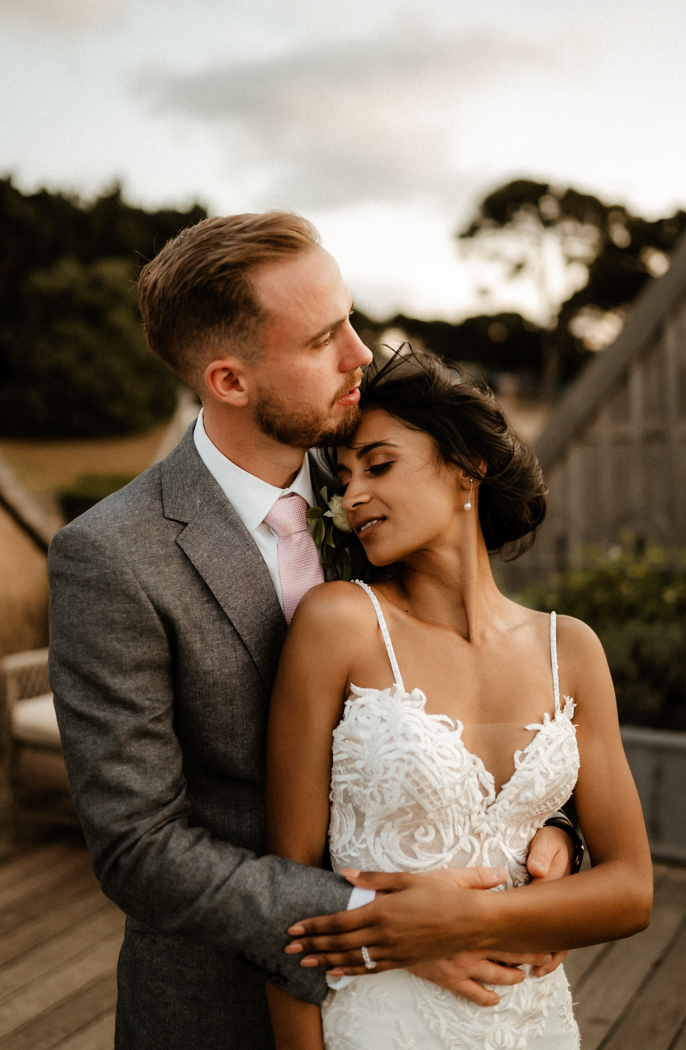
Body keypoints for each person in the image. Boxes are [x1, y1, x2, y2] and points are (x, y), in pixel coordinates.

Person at [49, 213, 578, 1050]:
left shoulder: (389, 480)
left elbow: (487, 679)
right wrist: (383, 925)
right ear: (230, 380)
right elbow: (139, 850)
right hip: (219, 1010)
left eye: (352, 318)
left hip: (456, 1001)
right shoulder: (111, 558)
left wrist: (544, 832)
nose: (361, 354)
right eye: (325, 337)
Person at [264, 349, 654, 1050]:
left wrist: (469, 921)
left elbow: (632, 890)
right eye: (344, 479)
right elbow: (284, 899)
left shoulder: (573, 650)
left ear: (467, 467)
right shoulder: (338, 624)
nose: (352, 497)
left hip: (534, 1023)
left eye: (379, 466)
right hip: (379, 1022)